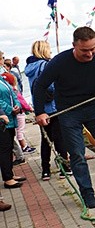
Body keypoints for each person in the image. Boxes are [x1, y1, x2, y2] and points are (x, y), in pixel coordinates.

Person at [32, 26, 95, 209]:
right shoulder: (58, 62)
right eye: (84, 50)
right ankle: (87, 193)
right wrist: (40, 111)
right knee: (77, 154)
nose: (89, 54)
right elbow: (40, 86)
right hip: (68, 111)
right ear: (74, 46)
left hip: (94, 108)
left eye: (92, 49)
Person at [24, 40, 71, 180]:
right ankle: (65, 167)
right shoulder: (45, 65)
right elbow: (50, 86)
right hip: (52, 106)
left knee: (46, 139)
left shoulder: (29, 67)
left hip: (40, 108)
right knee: (59, 138)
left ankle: (46, 170)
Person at [0, 71, 26, 189]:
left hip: (11, 119)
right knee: (4, 148)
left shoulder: (3, 80)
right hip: (3, 121)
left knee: (9, 147)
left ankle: (10, 173)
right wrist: (10, 109)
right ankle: (7, 178)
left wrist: (17, 106)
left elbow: (14, 94)